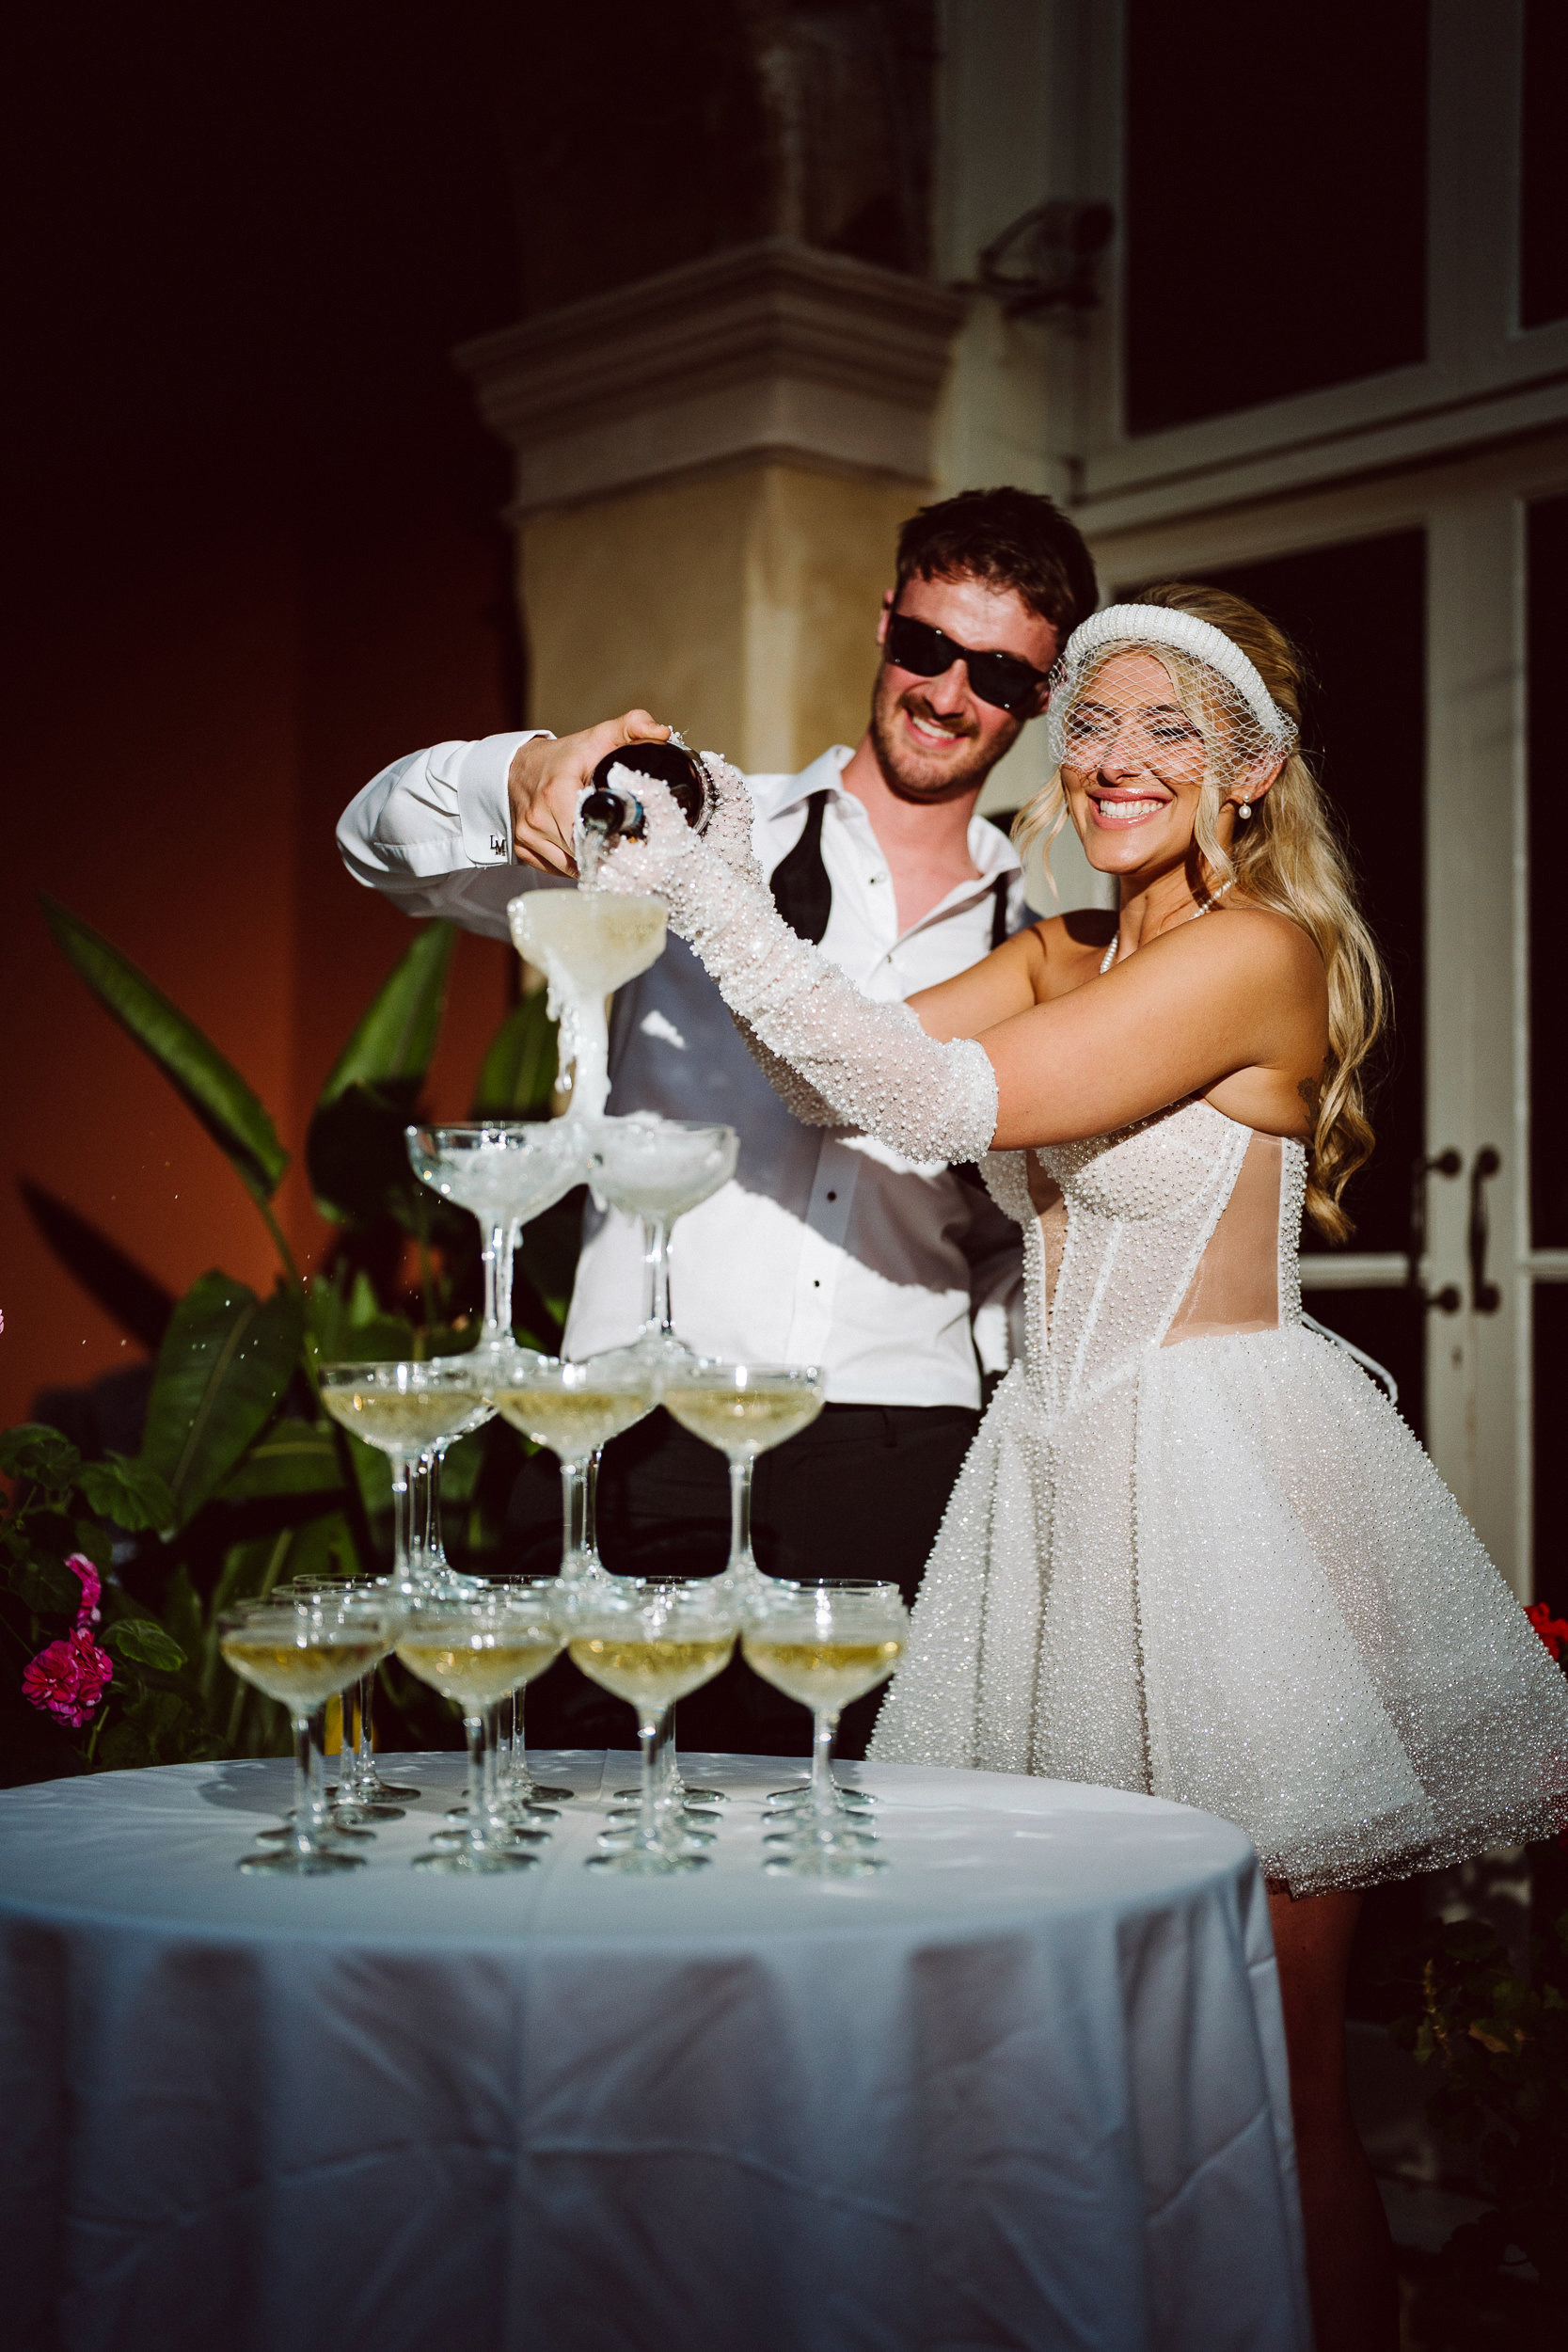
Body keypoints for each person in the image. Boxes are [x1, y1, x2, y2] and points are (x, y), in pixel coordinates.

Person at [590, 578, 1568, 2350]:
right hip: (1042, 1491)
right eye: (1094, 721)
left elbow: (938, 1107)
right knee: (1056, 2047)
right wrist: (732, 840)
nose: (1118, 759)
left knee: (1268, 2062)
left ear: (1251, 773)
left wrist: (706, 891)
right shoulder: (1068, 952)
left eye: (1169, 729)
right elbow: (835, 1081)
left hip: (1221, 1495)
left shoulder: (1256, 954)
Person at [337, 485, 1099, 1751]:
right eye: (927, 647)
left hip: (899, 1456)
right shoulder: (691, 824)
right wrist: (519, 771)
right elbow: (377, 846)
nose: (949, 695)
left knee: (854, 1861)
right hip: (643, 1427)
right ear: (882, 623)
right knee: (597, 1849)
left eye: (1000, 676)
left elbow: (1014, 1250)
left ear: (1036, 699)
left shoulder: (1048, 945)